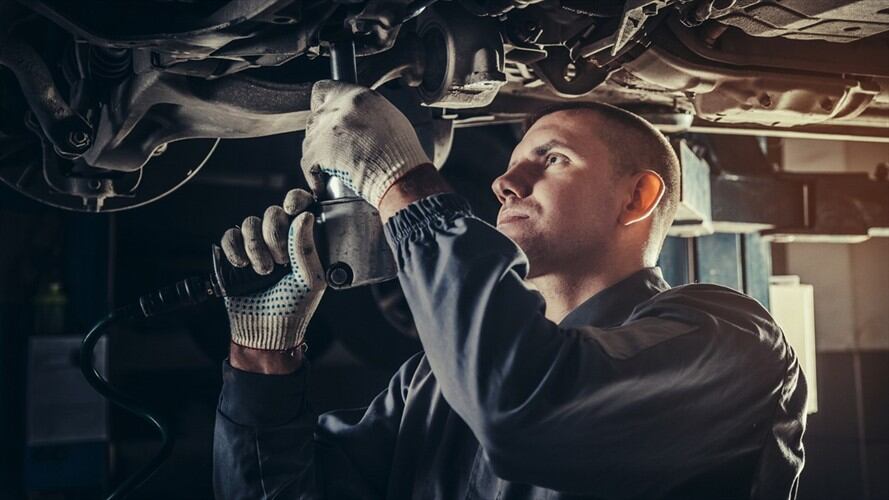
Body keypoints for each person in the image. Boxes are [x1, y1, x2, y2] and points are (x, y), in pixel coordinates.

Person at [213, 80, 807, 500]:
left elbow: (524, 407)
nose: (505, 181)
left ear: (637, 197)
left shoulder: (735, 348)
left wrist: (401, 182)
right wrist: (262, 352)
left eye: (552, 159)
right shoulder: (434, 383)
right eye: (514, 162)